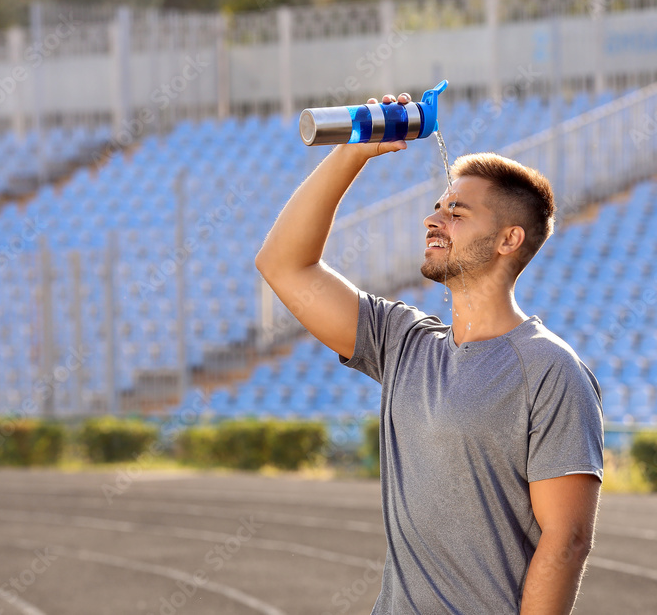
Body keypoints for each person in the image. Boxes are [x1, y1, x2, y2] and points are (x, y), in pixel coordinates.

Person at [256, 91, 603, 614]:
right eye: (437, 206)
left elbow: (567, 539)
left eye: (457, 212)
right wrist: (355, 149)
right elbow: (284, 265)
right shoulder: (402, 342)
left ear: (509, 239)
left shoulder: (551, 370)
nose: (432, 220)